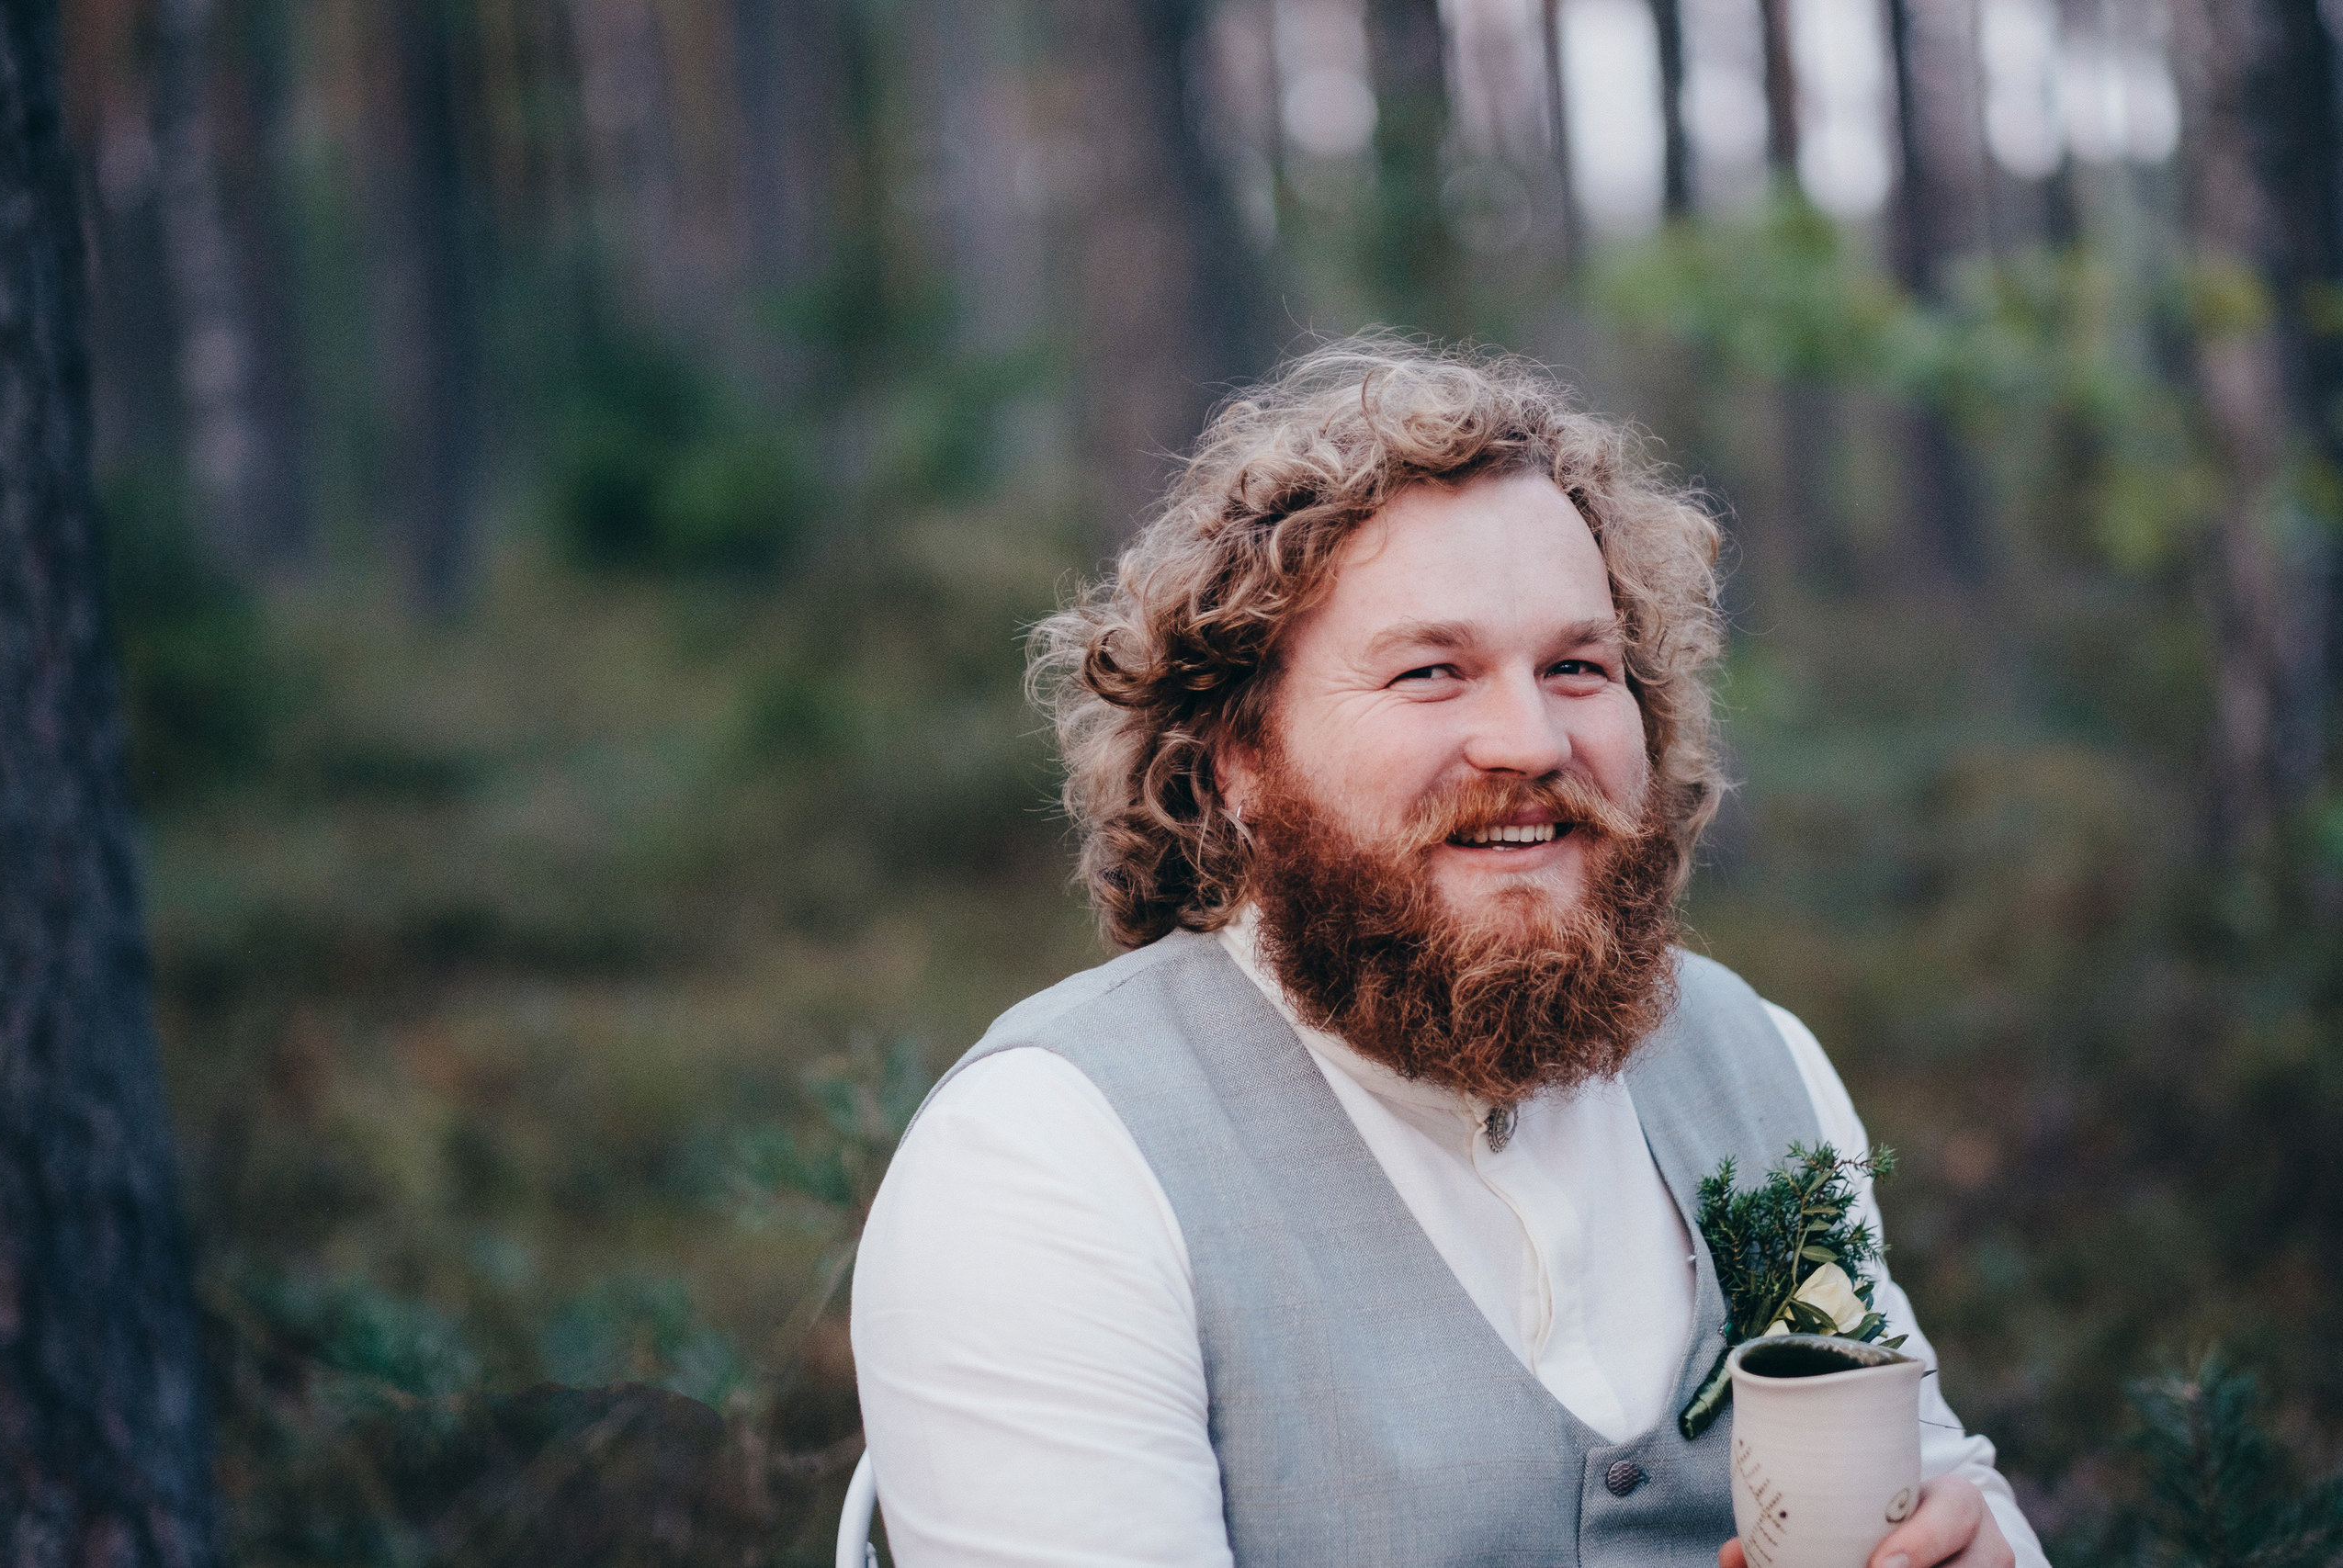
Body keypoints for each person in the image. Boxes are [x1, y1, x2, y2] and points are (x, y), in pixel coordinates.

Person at [851, 337, 2047, 1568]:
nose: (1529, 739)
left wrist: (1976, 1548)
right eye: (1433, 672)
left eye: (1579, 667)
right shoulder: (1051, 1166)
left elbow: (1938, 1482)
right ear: (1236, 761)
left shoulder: (1758, 1069)